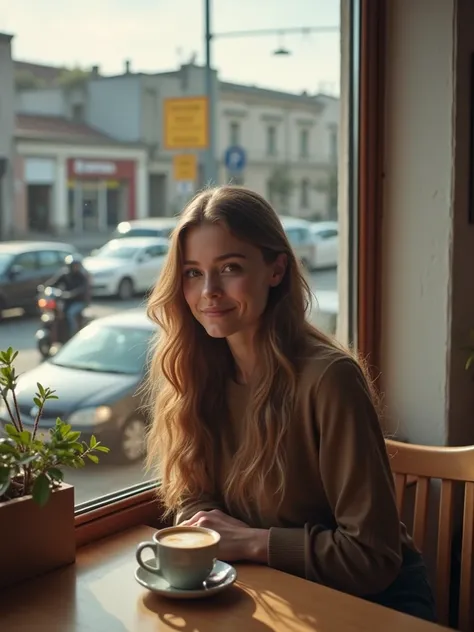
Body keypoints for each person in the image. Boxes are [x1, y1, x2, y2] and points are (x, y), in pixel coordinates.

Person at [145, 186, 436, 622]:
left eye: (230, 268)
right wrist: (205, 526)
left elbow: (372, 558)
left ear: (276, 269)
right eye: (192, 272)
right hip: (272, 593)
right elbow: (194, 494)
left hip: (373, 607)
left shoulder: (330, 379)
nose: (208, 291)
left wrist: (249, 542)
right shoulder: (198, 373)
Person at [46, 254, 90, 336]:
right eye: (74, 266)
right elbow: (53, 283)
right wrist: (45, 286)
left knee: (70, 313)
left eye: (77, 266)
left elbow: (81, 289)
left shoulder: (81, 277)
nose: (75, 268)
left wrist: (72, 294)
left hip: (78, 301)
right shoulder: (64, 274)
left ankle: (74, 333)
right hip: (66, 301)